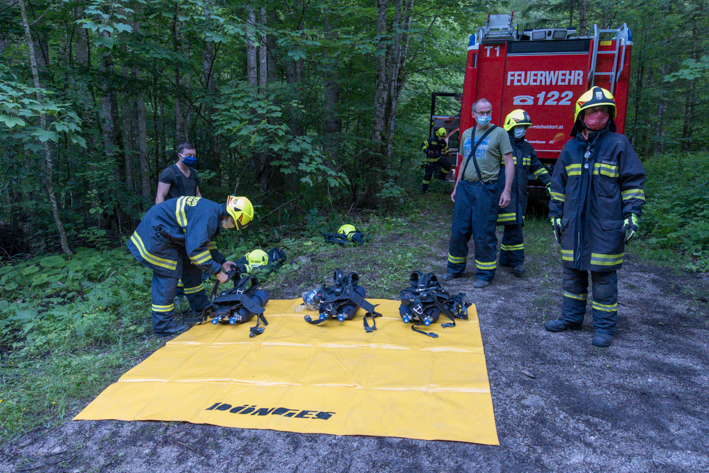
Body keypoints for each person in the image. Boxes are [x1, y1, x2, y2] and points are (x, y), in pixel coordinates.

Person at [545, 87, 645, 348]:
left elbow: (632, 183)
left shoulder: (619, 144)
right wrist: (555, 214)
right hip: (573, 225)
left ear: (610, 115)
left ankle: (604, 328)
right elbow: (558, 185)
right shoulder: (570, 148)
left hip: (605, 226)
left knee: (603, 279)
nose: (598, 115)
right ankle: (571, 318)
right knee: (572, 274)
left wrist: (632, 213)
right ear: (581, 116)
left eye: (603, 111)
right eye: (592, 111)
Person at [127, 195, 254, 336]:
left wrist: (222, 262)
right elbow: (196, 250)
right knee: (168, 276)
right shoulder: (208, 216)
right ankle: (163, 326)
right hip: (156, 235)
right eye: (235, 223)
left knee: (192, 268)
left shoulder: (212, 213)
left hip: (169, 235)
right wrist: (217, 272)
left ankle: (201, 308)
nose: (233, 226)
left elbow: (204, 241)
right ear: (231, 215)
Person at [442, 98, 514, 288]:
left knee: (483, 233)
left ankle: (485, 274)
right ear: (473, 114)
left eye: (487, 112)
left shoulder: (500, 134)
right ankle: (454, 269)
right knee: (458, 231)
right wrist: (457, 185)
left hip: (486, 189)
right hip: (466, 188)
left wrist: (506, 190)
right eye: (481, 113)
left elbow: (508, 162)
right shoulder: (466, 134)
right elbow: (464, 162)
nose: (485, 116)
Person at [497, 109, 552, 276]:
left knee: (514, 226)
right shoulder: (501, 145)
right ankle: (517, 263)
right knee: (515, 230)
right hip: (504, 195)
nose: (522, 130)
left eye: (524, 127)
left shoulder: (527, 147)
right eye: (519, 126)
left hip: (520, 196)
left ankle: (505, 260)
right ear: (510, 127)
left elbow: (537, 167)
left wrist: (549, 182)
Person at [421, 127, 452, 193]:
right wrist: (427, 151)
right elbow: (423, 145)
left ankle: (441, 177)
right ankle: (424, 189)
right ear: (437, 134)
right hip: (430, 160)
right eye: (440, 137)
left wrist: (448, 152)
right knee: (428, 175)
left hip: (438, 158)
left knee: (447, 164)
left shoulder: (443, 142)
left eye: (442, 137)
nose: (441, 138)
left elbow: (446, 148)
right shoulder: (431, 140)